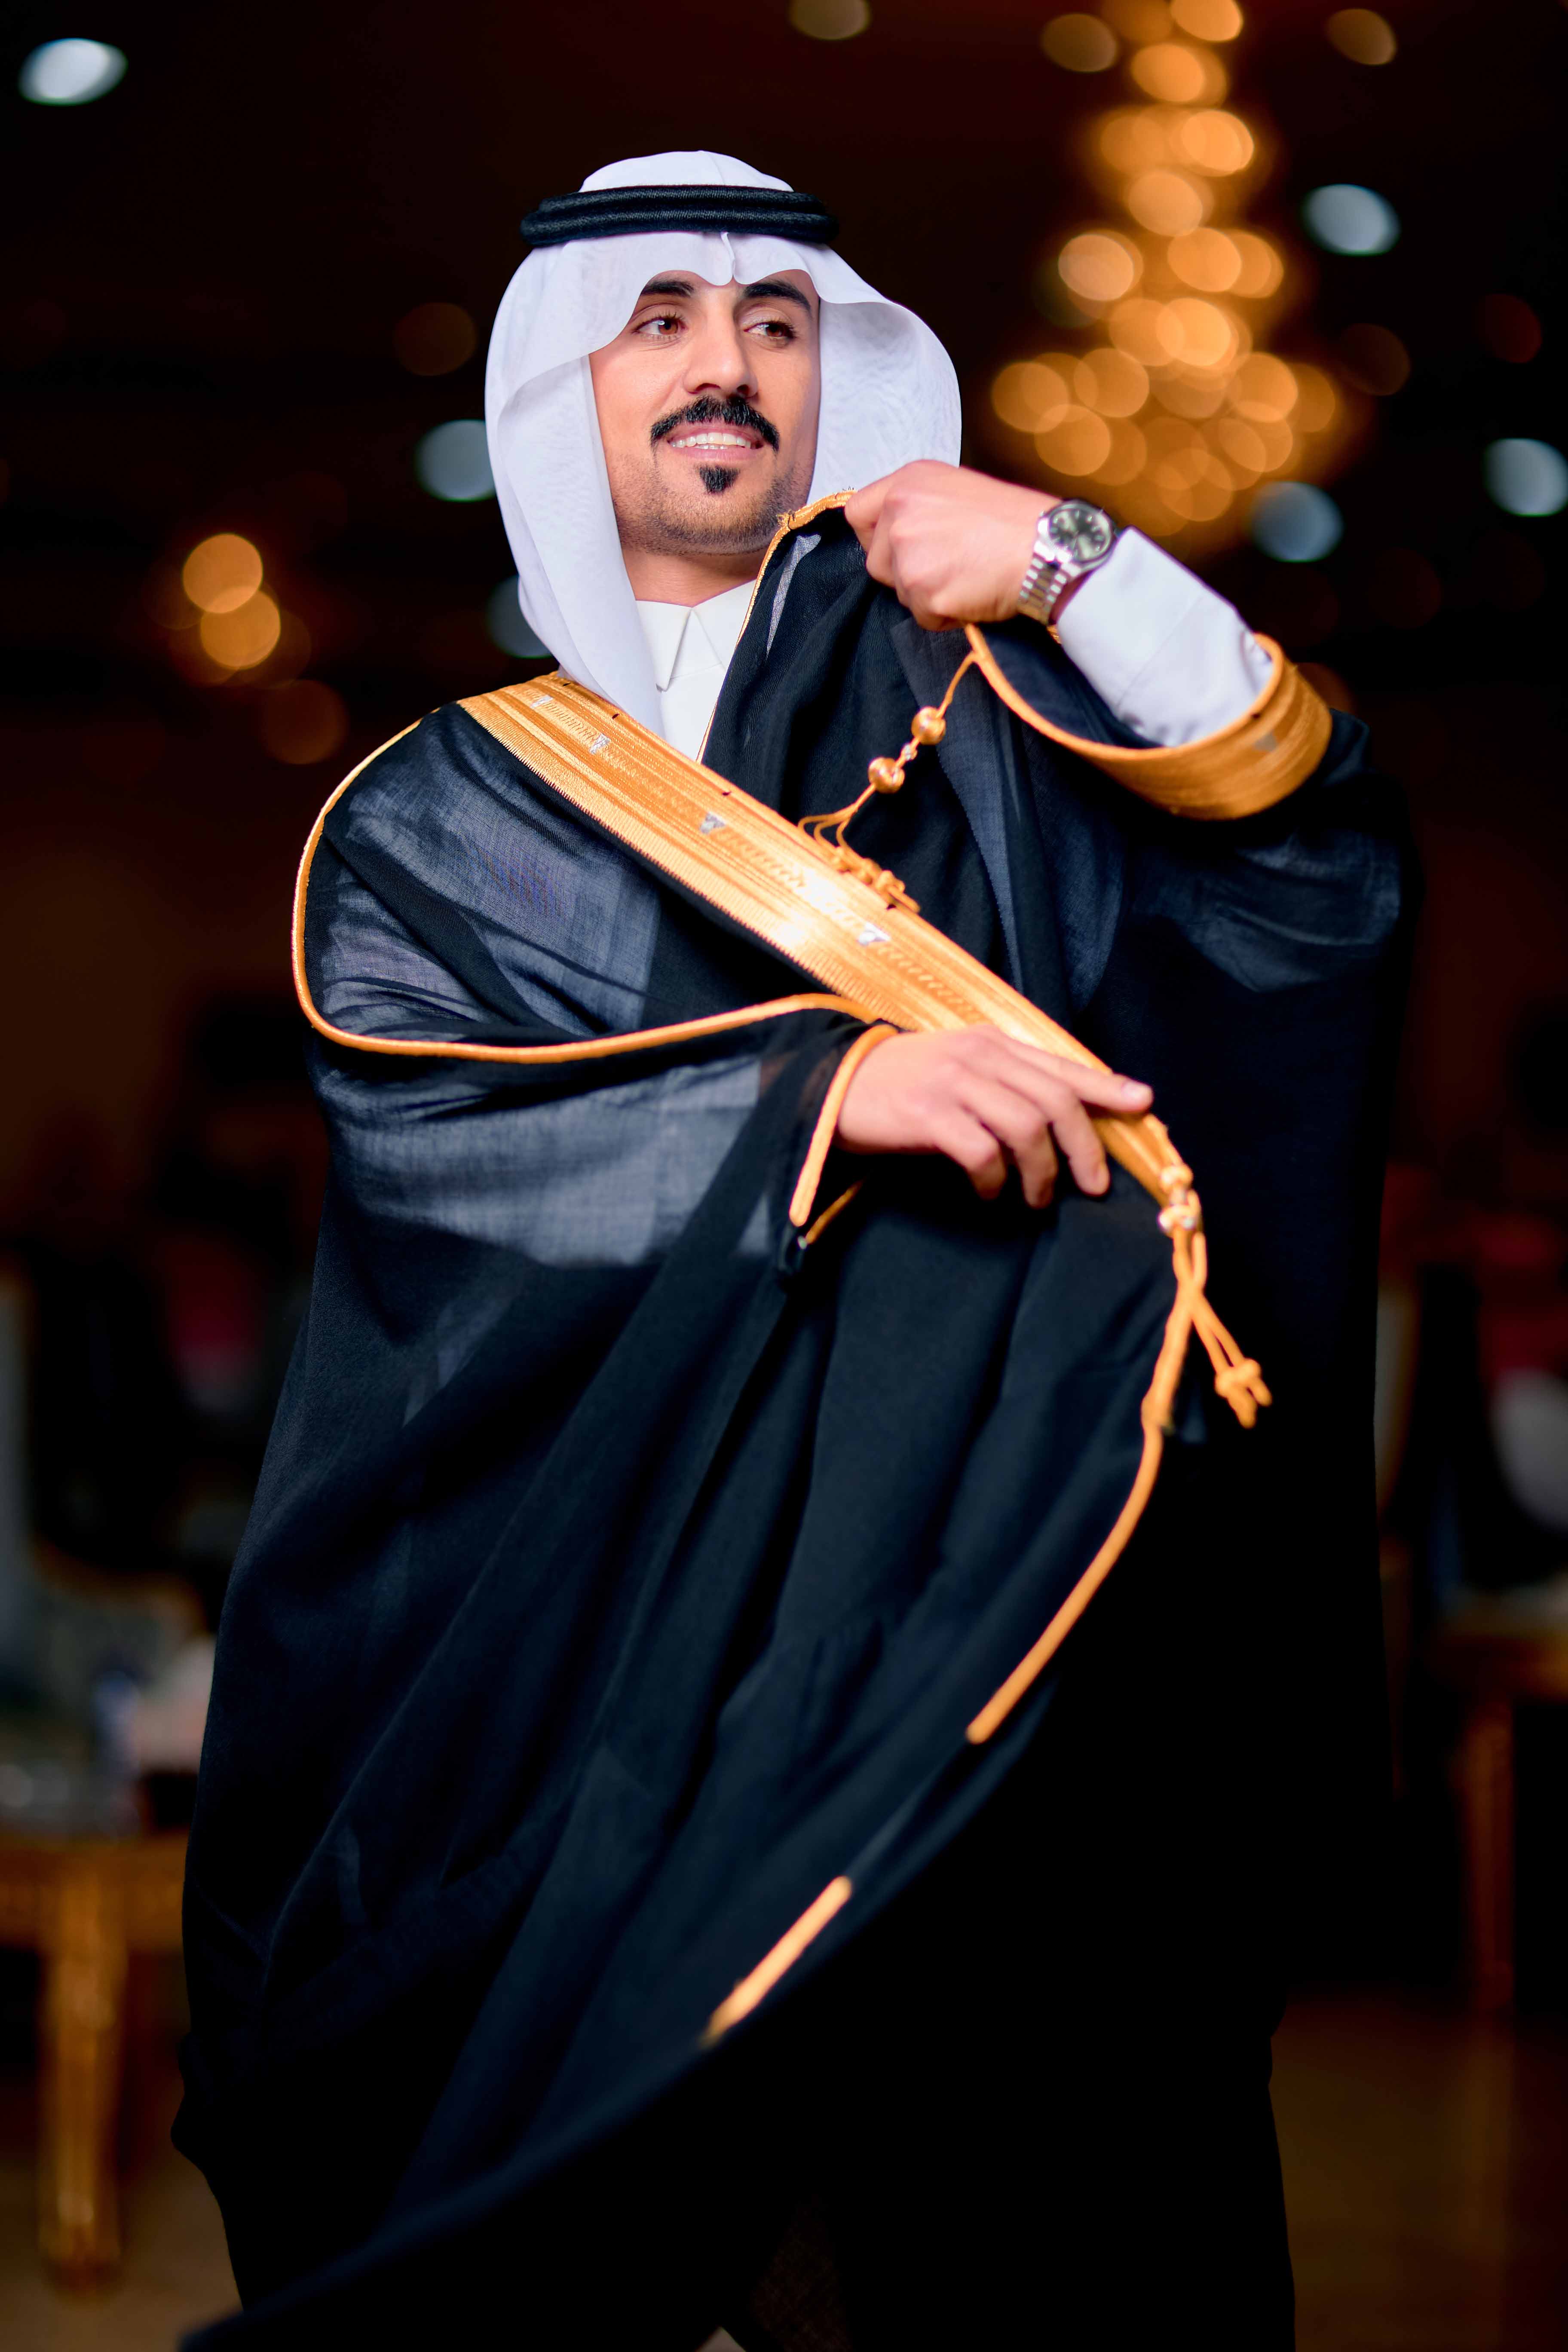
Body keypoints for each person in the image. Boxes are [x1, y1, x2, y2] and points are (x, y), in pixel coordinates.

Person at [176, 153, 1410, 2348]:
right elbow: (448, 1153)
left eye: (772, 323)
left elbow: (1297, 878)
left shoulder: (987, 709)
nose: (723, 365)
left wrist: (1071, 559)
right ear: (562, 387)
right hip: (612, 1655)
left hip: (951, 1632)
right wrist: (829, 1095)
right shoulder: (441, 821)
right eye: (657, 321)